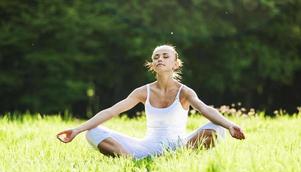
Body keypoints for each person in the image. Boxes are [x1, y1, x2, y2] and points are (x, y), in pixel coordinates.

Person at [56, 44, 245, 159]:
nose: (160, 59)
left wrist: (230, 125)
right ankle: (132, 160)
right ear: (152, 64)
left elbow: (205, 109)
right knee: (93, 133)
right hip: (145, 148)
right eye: (156, 57)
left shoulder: (184, 92)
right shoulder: (142, 92)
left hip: (180, 146)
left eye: (165, 56)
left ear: (175, 64)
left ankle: (176, 158)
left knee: (217, 128)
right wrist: (77, 130)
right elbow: (111, 111)